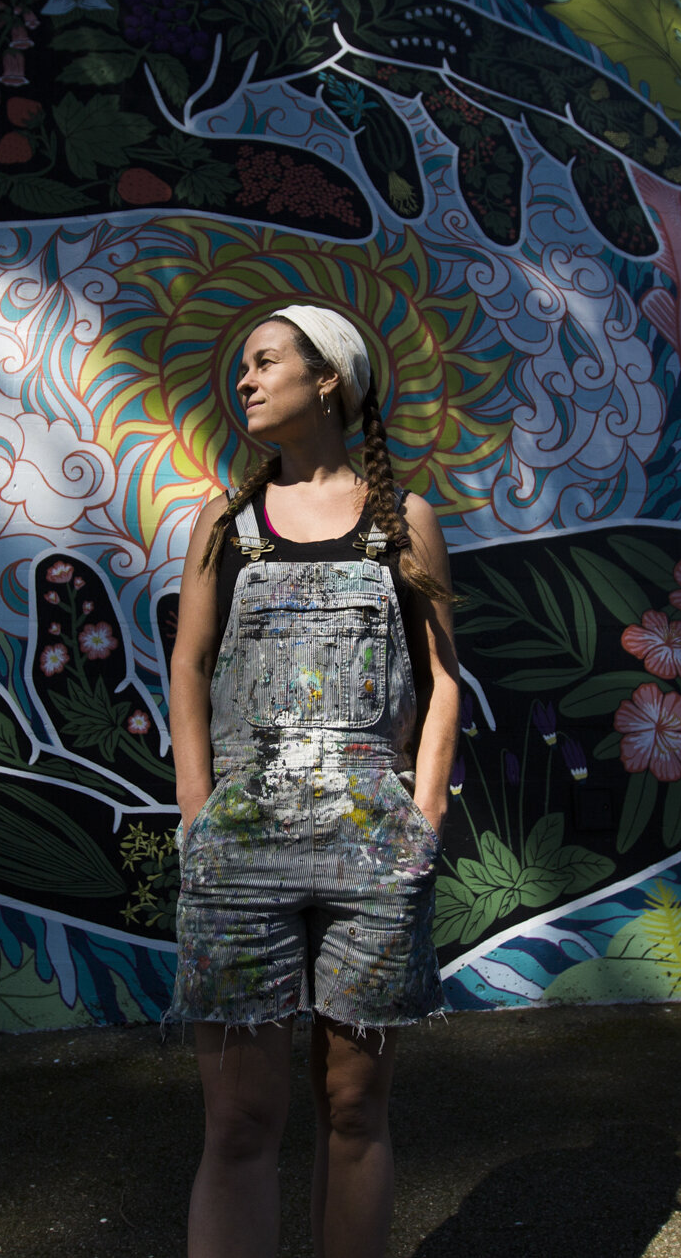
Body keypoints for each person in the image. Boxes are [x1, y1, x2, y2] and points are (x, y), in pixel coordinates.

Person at [167, 303, 460, 1258]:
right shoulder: (228, 522)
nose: (244, 381)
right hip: (239, 852)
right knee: (241, 1122)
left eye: (265, 361)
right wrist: (196, 813)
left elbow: (443, 677)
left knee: (353, 1105)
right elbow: (189, 666)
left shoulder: (401, 521)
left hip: (374, 852)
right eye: (242, 367)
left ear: (328, 377)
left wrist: (422, 820)